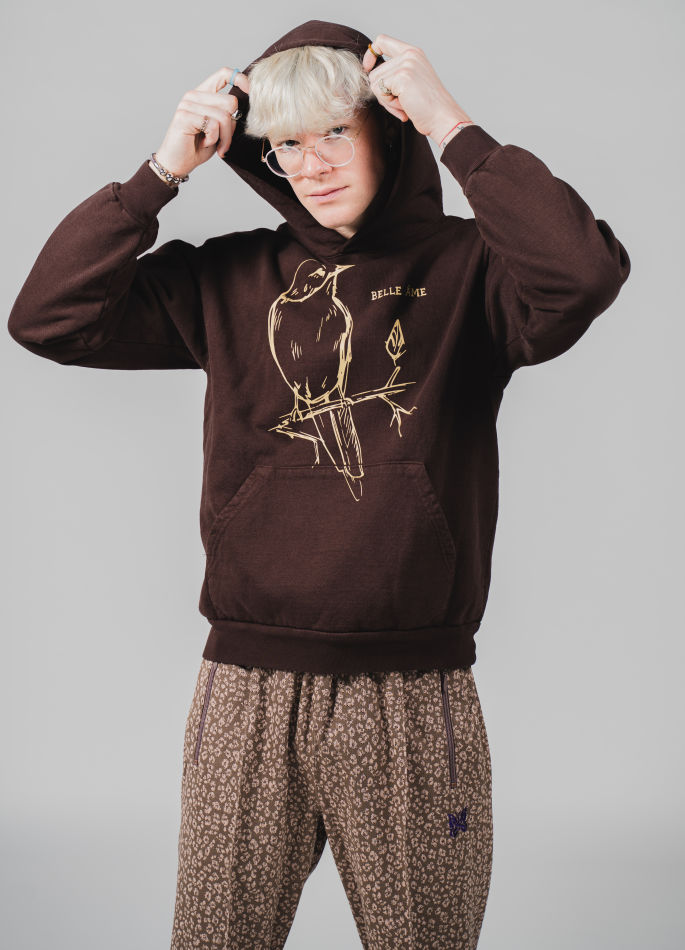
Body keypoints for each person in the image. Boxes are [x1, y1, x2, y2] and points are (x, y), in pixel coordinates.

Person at [7, 18, 631, 950]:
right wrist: (159, 175)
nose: (311, 164)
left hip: (411, 689)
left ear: (388, 129)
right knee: (213, 939)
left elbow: (580, 274)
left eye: (335, 131)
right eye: (286, 144)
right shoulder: (227, 278)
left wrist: (452, 124)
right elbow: (48, 319)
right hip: (244, 689)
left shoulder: (472, 271)